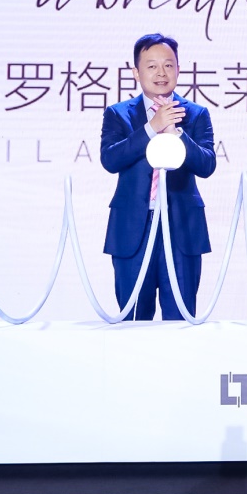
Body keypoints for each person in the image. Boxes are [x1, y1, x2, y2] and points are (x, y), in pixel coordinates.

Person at [100, 33, 216, 320]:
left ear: (178, 69)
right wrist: (151, 128)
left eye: (168, 65)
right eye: (151, 66)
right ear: (136, 72)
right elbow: (111, 160)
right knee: (133, 321)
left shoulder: (196, 114)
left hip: (181, 229)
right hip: (133, 230)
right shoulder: (118, 114)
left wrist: (176, 133)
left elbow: (206, 165)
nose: (161, 73)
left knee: (180, 320)